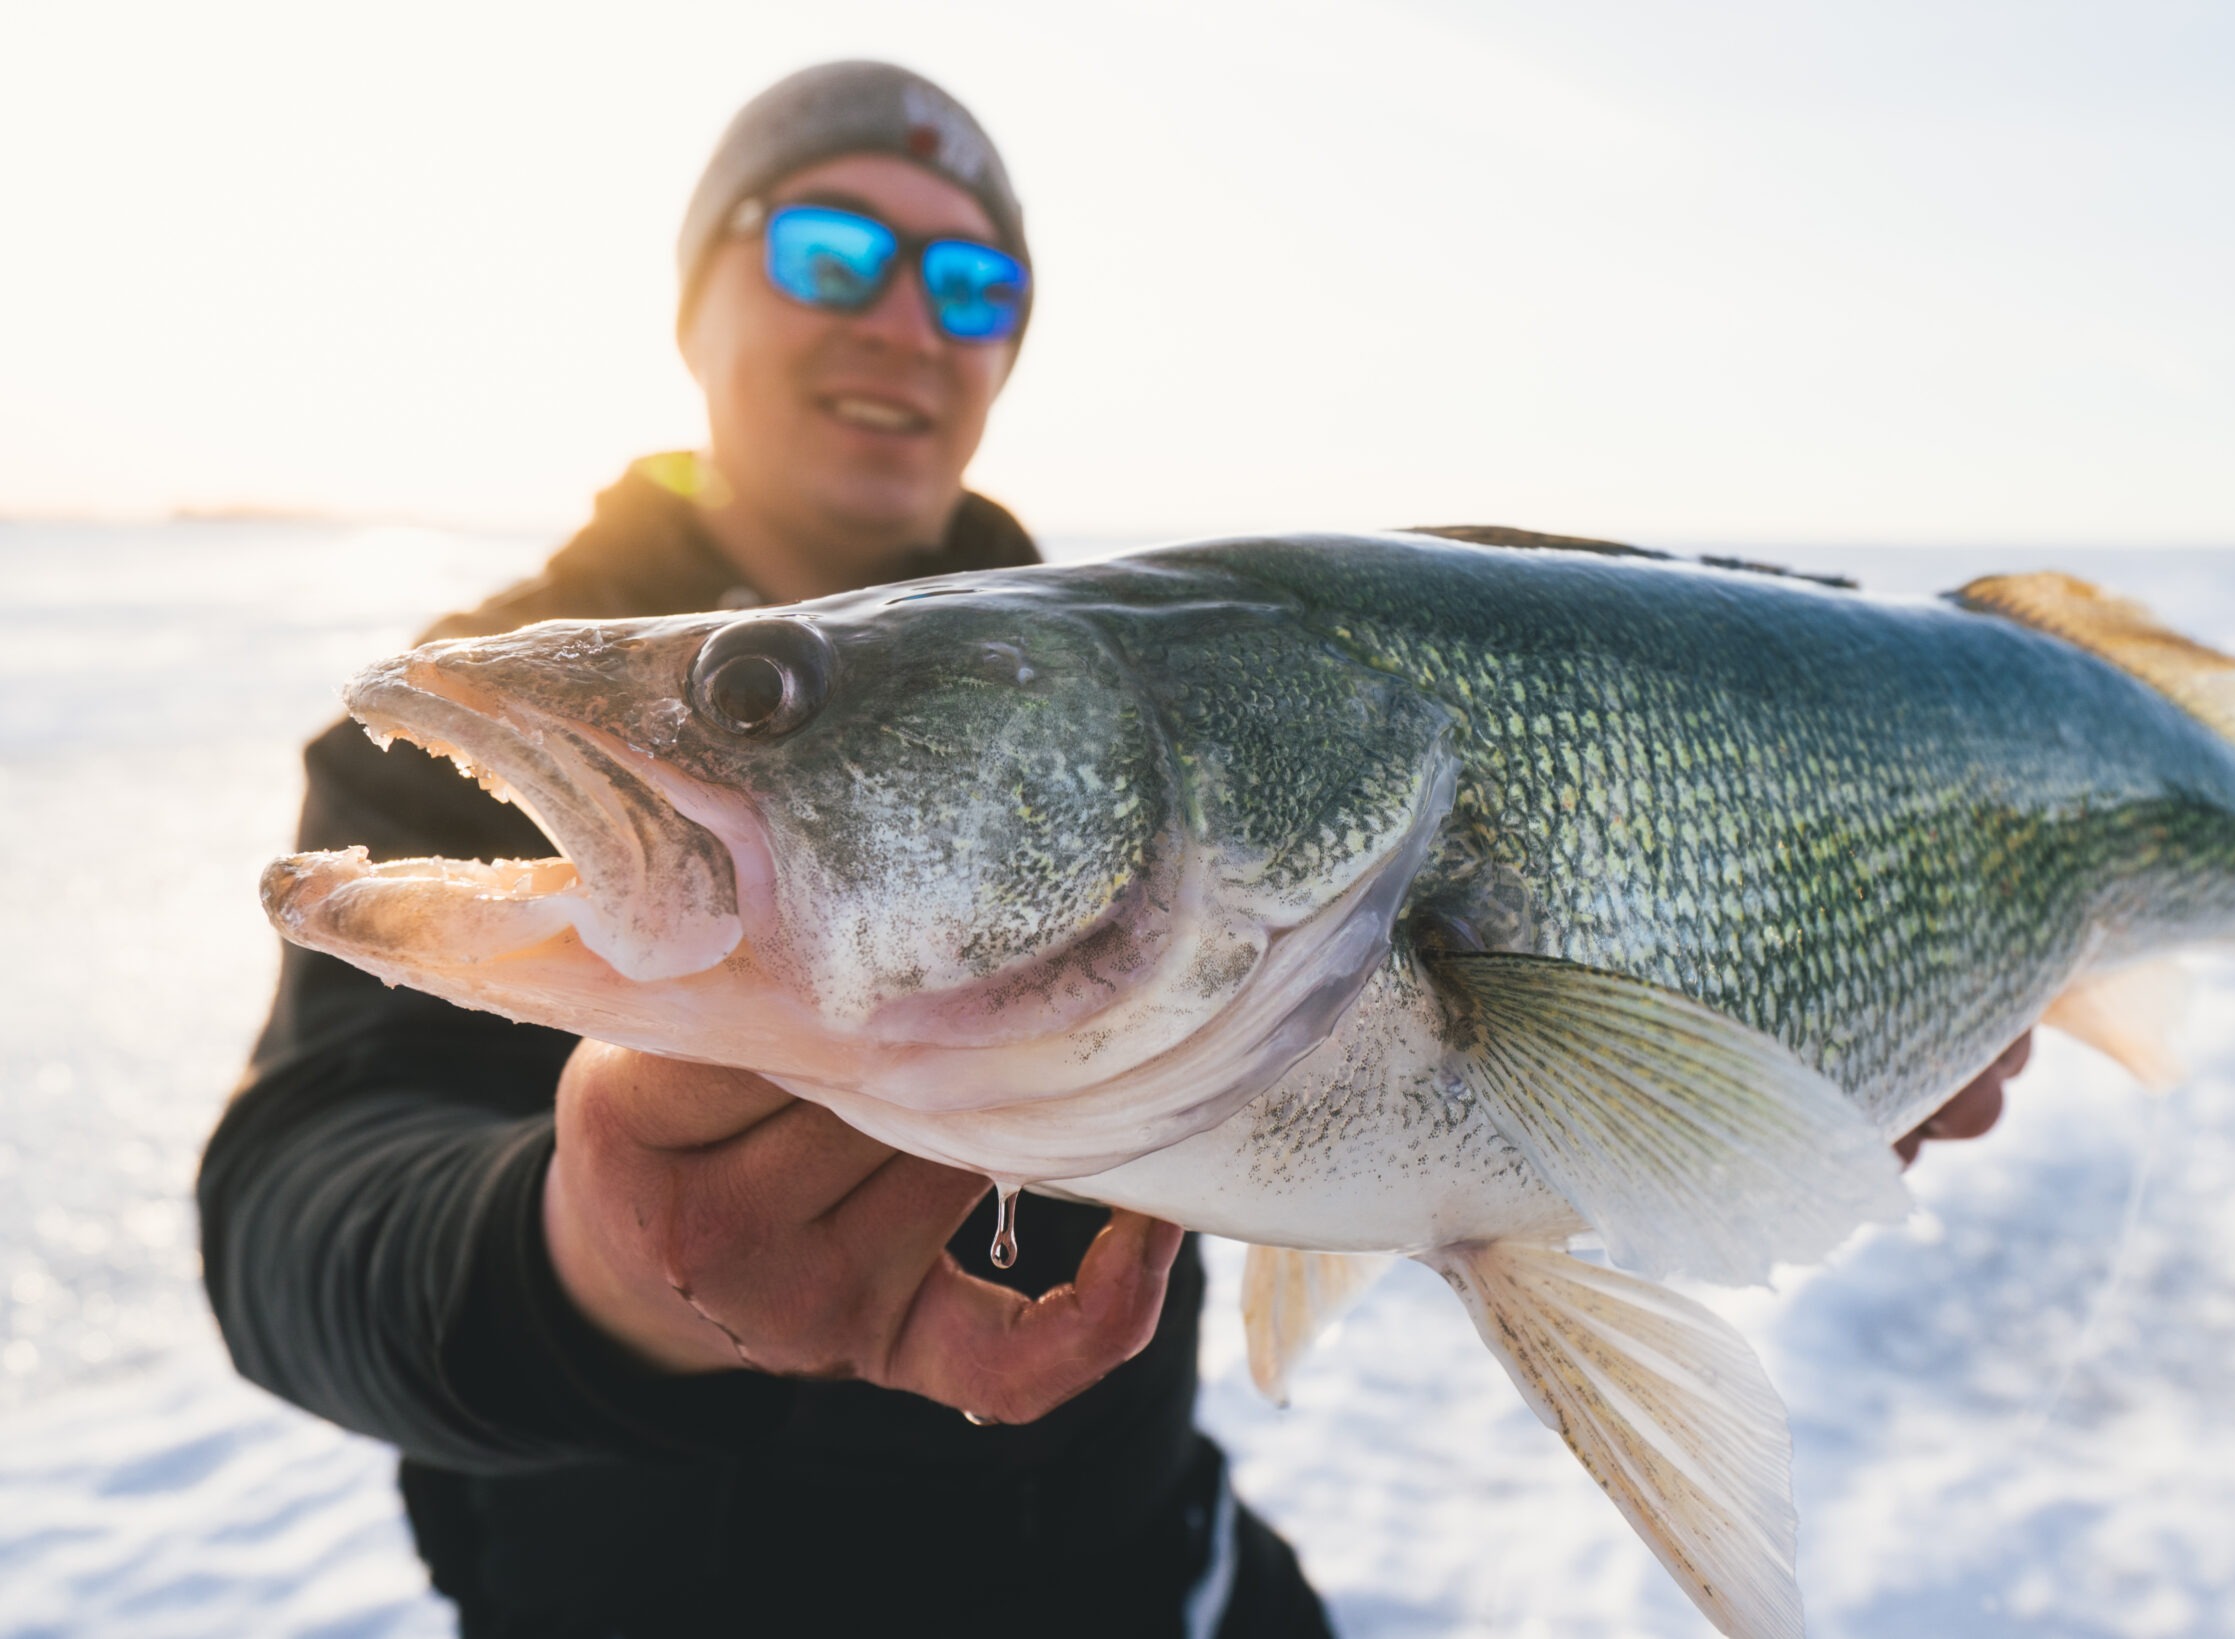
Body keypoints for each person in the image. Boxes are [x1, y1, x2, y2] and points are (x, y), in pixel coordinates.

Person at [200, 60, 2030, 1638]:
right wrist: (587, 1256)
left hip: (1157, 1587)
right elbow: (292, 1225)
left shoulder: (1178, 669)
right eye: (829, 250)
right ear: (696, 304)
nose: (902, 318)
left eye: (971, 277)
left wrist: (1799, 1079)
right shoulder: (522, 773)